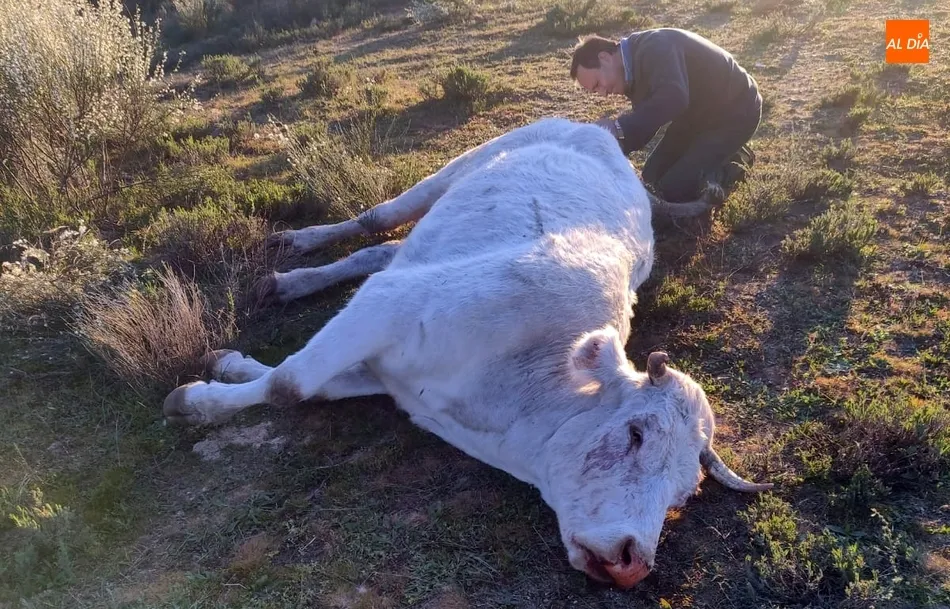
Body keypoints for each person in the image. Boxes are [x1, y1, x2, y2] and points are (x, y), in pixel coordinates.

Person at [570, 28, 762, 204]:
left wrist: (619, 126)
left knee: (674, 190)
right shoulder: (630, 72)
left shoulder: (655, 46)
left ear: (604, 58)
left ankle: (733, 164)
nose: (603, 94)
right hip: (694, 117)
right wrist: (608, 148)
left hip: (735, 111)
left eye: (597, 84)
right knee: (651, 178)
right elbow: (647, 122)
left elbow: (674, 97)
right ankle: (710, 157)